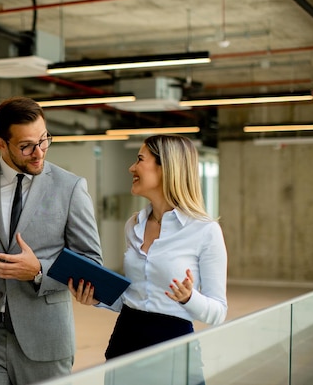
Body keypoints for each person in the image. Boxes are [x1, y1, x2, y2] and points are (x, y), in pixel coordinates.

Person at [0, 96, 103, 385]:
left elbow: (91, 263)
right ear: (1, 144)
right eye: (26, 146)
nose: (39, 153)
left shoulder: (70, 188)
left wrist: (39, 270)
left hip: (45, 338)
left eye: (44, 140)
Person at [69, 134, 227, 375]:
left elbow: (218, 312)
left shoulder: (205, 231)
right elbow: (133, 299)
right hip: (125, 342)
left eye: (140, 159)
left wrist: (188, 298)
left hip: (172, 347)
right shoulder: (134, 224)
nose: (132, 167)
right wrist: (97, 298)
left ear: (166, 168)